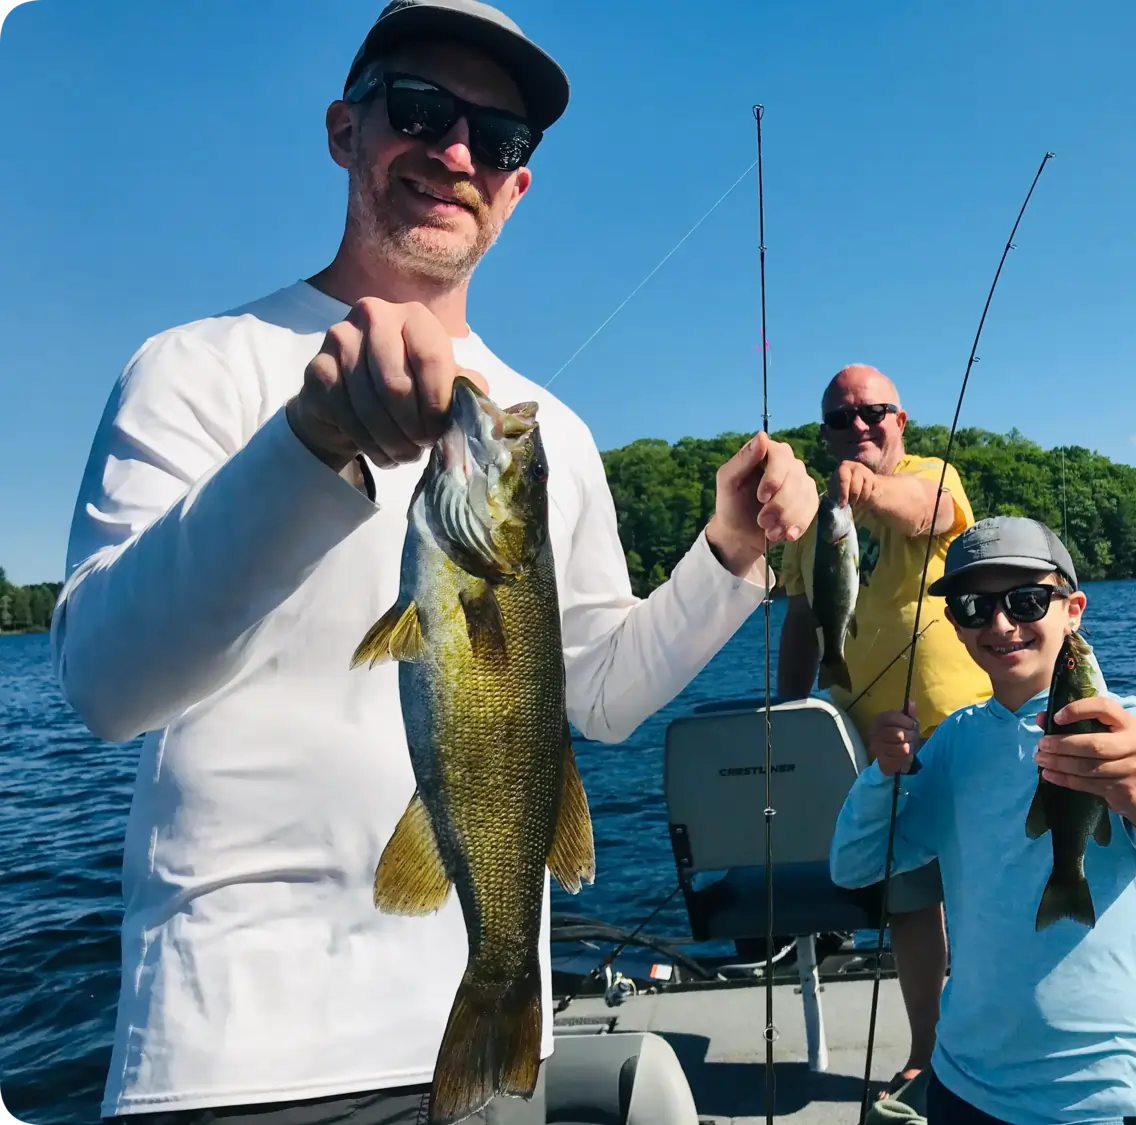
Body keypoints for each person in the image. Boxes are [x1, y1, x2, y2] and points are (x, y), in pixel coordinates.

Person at [52, 3, 818, 1122]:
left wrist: (730, 556)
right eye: (419, 110)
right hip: (235, 1058)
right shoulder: (196, 369)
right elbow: (104, 687)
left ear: (516, 188)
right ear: (344, 129)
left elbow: (599, 696)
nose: (455, 152)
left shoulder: (544, 429)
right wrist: (307, 447)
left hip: (494, 1041)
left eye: (498, 141)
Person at [829, 516, 1136, 1125]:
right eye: (975, 606)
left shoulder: (1130, 728)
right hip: (964, 1081)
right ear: (956, 626)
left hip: (1104, 1096)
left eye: (1027, 601)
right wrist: (883, 774)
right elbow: (854, 865)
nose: (1001, 623)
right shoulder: (951, 746)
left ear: (1073, 610)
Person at [776, 363, 993, 1098]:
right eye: (841, 418)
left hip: (962, 734)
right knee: (909, 901)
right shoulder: (811, 523)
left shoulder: (936, 475)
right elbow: (803, 619)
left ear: (902, 420)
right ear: (827, 432)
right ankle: (929, 1050)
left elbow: (929, 512)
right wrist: (787, 712)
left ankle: (996, 1041)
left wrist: (861, 491)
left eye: (875, 412)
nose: (860, 425)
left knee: (985, 888)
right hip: (877, 750)